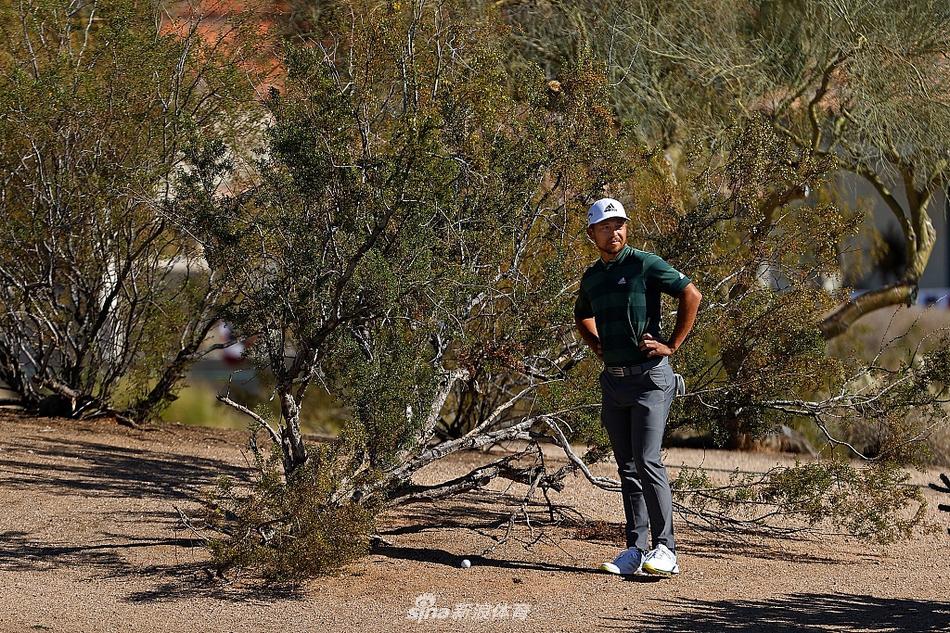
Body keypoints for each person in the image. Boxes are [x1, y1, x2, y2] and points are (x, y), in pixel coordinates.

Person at [574, 197, 702, 577]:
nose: (615, 232)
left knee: (647, 461)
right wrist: (597, 345)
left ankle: (667, 550)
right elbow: (581, 313)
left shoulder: (644, 263)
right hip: (614, 383)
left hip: (650, 380)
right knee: (627, 467)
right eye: (606, 226)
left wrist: (672, 345)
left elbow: (690, 294)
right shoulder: (592, 276)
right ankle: (636, 549)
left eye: (620, 225)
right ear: (591, 233)